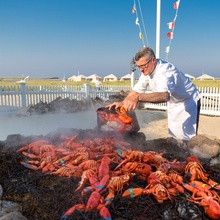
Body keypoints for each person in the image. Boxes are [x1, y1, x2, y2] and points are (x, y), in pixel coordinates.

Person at [106, 47, 201, 141]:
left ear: (153, 60)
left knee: (189, 137)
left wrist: (138, 97)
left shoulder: (164, 72)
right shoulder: (148, 69)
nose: (141, 70)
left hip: (189, 100)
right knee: (176, 133)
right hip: (175, 101)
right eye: (138, 66)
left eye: (143, 66)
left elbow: (164, 96)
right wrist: (123, 102)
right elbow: (137, 89)